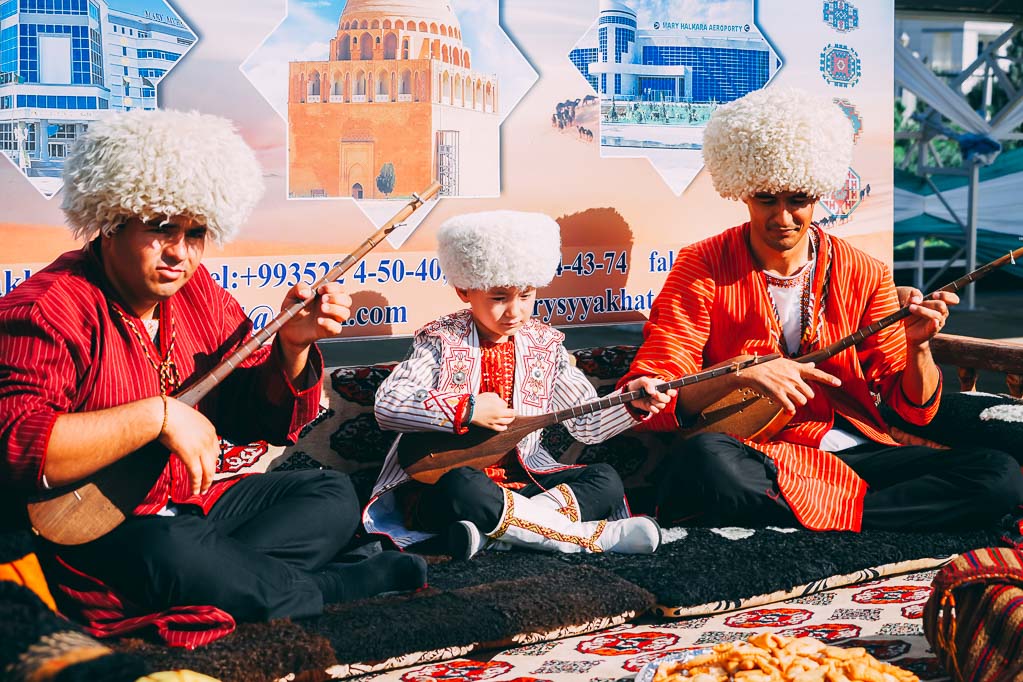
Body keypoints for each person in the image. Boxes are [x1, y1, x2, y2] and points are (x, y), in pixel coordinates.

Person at [0, 109, 426, 639]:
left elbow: (259, 419)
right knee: (172, 549)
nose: (179, 253)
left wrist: (292, 345)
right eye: (161, 229)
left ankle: (237, 581)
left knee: (330, 495)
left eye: (195, 233)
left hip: (191, 509)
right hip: (99, 534)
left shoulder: (198, 292)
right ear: (111, 220)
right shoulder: (45, 310)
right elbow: (15, 447)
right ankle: (328, 587)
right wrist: (156, 416)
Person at [619, 87, 1023, 533]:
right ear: (743, 191)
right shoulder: (702, 265)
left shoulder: (865, 272)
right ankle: (866, 520)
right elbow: (659, 393)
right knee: (702, 459)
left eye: (798, 199)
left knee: (999, 474)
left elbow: (915, 412)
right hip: (754, 456)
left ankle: (824, 521)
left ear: (819, 194)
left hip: (856, 455)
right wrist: (741, 372)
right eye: (766, 199)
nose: (782, 218)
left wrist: (919, 347)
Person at [365, 210, 667, 558]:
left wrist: (631, 403)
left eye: (525, 296)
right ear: (464, 290)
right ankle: (591, 539)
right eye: (499, 298)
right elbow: (388, 404)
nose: (514, 312)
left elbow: (587, 425)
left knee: (605, 479)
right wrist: (468, 409)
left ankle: (497, 535)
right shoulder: (440, 341)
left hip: (525, 483)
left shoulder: (544, 345)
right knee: (463, 486)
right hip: (447, 486)